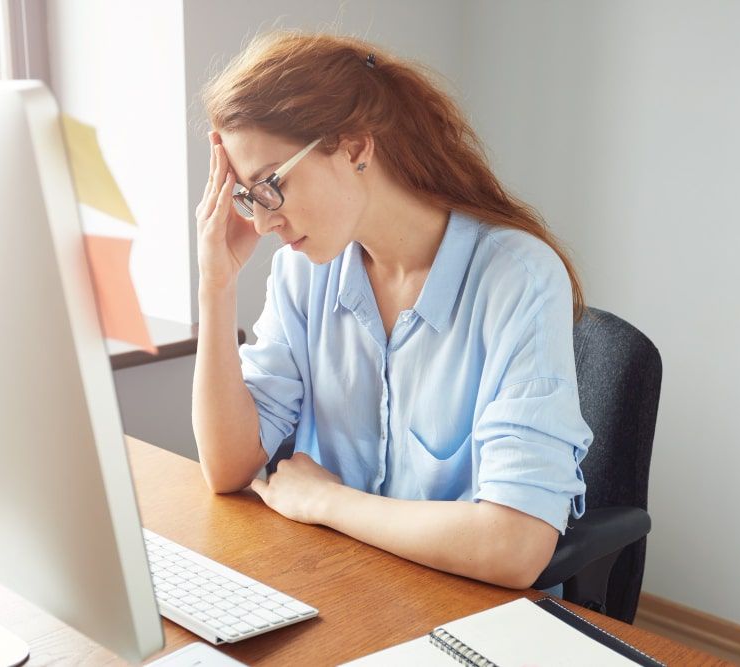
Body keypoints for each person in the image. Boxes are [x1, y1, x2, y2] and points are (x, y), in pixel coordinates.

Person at [192, 30, 593, 592]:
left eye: (270, 186)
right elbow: (228, 467)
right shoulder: (303, 270)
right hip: (345, 587)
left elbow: (516, 546)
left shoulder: (518, 279)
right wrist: (216, 284)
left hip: (463, 613)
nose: (261, 224)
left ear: (355, 148)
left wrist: (330, 502)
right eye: (247, 196)